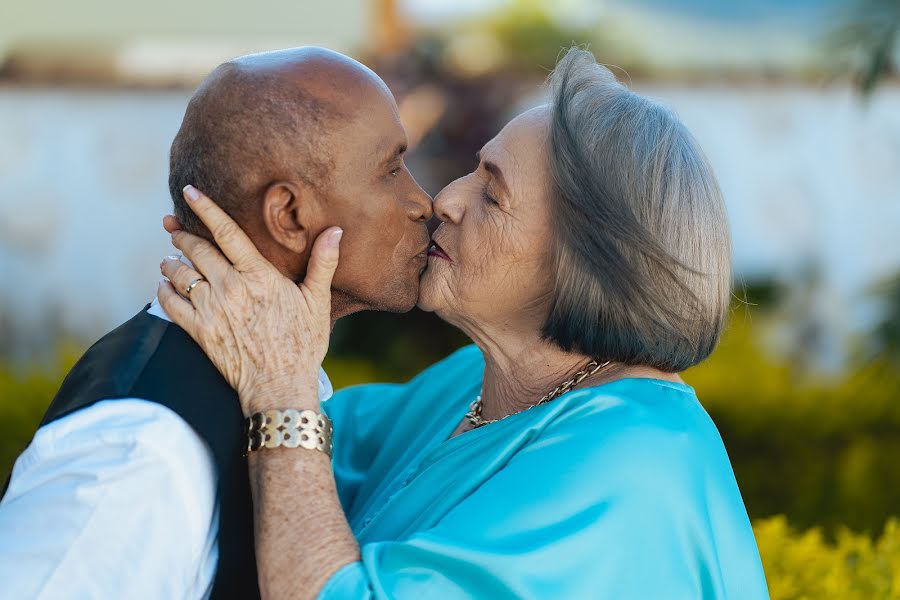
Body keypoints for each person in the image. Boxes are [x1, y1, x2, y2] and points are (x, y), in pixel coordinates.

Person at [155, 48, 770, 599]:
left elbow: (288, 435)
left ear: (584, 262)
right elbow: (280, 467)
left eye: (492, 195)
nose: (444, 198)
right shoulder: (467, 385)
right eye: (475, 169)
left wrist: (281, 387)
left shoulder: (635, 467)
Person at [0, 47, 432, 599]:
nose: (423, 202)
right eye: (391, 169)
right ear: (291, 217)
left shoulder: (262, 385)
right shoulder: (142, 453)